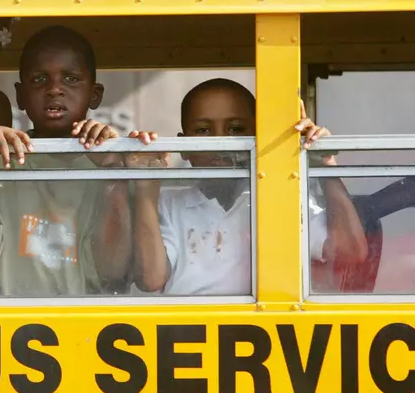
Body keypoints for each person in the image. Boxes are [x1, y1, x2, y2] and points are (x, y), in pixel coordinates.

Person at [0, 26, 154, 297]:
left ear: (95, 94)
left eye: (71, 79)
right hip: (3, 321)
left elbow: (112, 271)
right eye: (40, 79)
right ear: (20, 95)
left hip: (87, 322)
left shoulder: (113, 162)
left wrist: (113, 172)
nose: (55, 89)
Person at [131, 78, 368, 295]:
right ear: (184, 146)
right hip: (183, 336)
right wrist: (145, 188)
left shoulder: (281, 198)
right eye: (203, 131)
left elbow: (350, 251)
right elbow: (151, 279)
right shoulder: (168, 205)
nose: (220, 143)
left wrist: (322, 160)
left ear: (258, 137)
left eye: (236, 130)